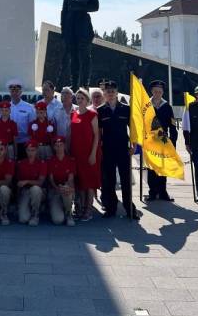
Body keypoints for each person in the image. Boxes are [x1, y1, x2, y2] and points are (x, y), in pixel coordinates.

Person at [98, 81, 140, 220]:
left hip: (123, 149)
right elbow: (98, 133)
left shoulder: (126, 109)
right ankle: (111, 208)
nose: (110, 94)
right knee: (109, 181)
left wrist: (134, 146)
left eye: (112, 92)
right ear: (104, 93)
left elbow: (133, 129)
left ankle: (129, 209)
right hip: (108, 150)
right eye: (108, 92)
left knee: (126, 180)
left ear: (117, 93)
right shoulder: (101, 110)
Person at [59, 0, 99, 90]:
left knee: (85, 57)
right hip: (70, 25)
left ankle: (85, 84)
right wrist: (63, 29)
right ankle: (75, 84)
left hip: (83, 25)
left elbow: (95, 6)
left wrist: (79, 3)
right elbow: (64, 9)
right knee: (73, 57)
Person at [70, 88, 101, 221]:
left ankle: (88, 210)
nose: (80, 100)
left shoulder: (92, 114)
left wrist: (93, 153)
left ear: (87, 100)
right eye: (78, 98)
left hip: (89, 153)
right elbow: (70, 134)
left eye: (82, 98)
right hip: (76, 154)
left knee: (89, 183)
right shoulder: (73, 114)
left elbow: (96, 135)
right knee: (80, 183)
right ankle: (81, 208)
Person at [145, 80, 178, 203]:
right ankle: (152, 192)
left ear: (162, 92)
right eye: (155, 91)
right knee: (152, 168)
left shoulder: (167, 106)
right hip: (150, 141)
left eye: (159, 91)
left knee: (163, 167)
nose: (157, 93)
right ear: (152, 92)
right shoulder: (146, 106)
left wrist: (173, 143)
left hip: (164, 141)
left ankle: (163, 191)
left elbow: (173, 125)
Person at [47, 135, 76, 226]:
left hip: (66, 189)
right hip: (55, 190)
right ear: (54, 147)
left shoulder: (70, 160)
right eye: (57, 145)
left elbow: (71, 179)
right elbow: (51, 179)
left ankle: (68, 214)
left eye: (61, 145)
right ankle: (57, 208)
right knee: (58, 220)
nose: (59, 147)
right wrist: (57, 188)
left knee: (67, 190)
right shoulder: (51, 161)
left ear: (64, 146)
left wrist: (65, 186)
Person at [17, 141, 47, 226]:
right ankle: (28, 208)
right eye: (28, 150)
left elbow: (40, 183)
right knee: (23, 219)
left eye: (33, 150)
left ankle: (35, 214)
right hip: (25, 192)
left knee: (35, 189)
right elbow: (19, 184)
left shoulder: (42, 163)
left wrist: (27, 181)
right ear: (26, 151)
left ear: (37, 150)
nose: (31, 153)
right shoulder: (21, 164)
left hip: (38, 191)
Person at [7, 79, 35, 160]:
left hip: (25, 142)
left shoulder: (29, 107)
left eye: (17, 90)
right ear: (10, 92)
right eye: (12, 90)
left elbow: (32, 126)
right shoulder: (5, 107)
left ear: (21, 92)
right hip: (10, 143)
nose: (14, 93)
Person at [55, 86, 77, 151]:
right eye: (62, 93)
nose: (64, 95)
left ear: (72, 97)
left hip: (75, 142)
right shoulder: (56, 110)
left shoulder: (78, 110)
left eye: (67, 93)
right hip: (60, 144)